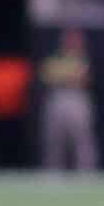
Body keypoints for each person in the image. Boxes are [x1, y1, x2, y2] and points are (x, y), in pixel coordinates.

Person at [39, 27, 97, 173]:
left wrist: (67, 75)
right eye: (69, 39)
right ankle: (53, 171)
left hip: (76, 98)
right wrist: (69, 75)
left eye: (76, 39)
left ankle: (86, 171)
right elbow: (47, 75)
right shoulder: (55, 57)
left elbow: (84, 79)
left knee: (82, 138)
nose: (72, 42)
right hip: (58, 97)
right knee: (54, 139)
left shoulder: (83, 58)